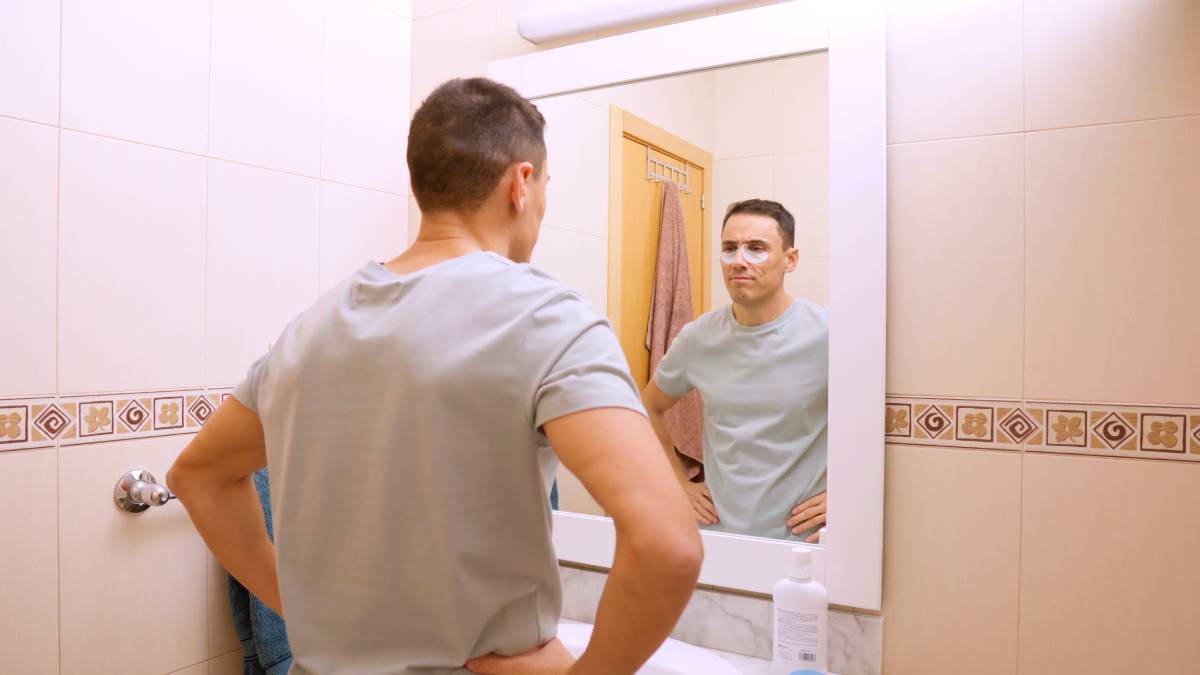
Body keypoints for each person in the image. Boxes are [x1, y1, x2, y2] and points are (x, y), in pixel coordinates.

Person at [167, 77, 702, 675]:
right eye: (546, 185)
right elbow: (667, 545)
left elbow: (198, 477)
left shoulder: (309, 329)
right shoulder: (544, 317)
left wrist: (301, 607)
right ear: (520, 184)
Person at [642, 199, 829, 542]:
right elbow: (647, 407)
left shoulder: (829, 335)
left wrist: (848, 495)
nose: (739, 261)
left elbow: (877, 428)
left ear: (791, 259)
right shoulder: (699, 338)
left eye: (756, 248)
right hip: (718, 534)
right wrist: (679, 483)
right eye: (730, 249)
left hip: (802, 540)